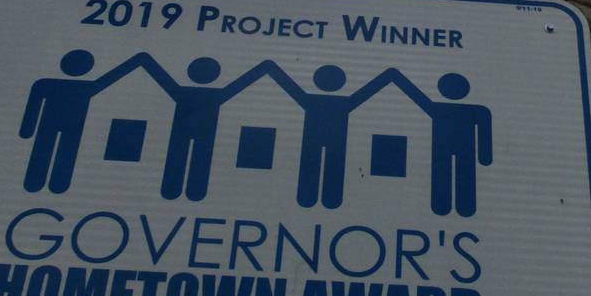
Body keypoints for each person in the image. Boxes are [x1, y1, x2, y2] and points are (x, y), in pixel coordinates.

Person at [262, 64, 406, 210]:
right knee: (322, 168)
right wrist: (390, 76)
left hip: (322, 141)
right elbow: (364, 93)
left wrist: (389, 76)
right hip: (327, 141)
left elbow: (291, 88)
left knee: (323, 168)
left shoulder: (313, 101)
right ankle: (317, 200)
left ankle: (319, 200)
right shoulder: (340, 103)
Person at [19, 50, 160, 194]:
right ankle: (35, 183)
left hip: (73, 128)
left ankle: (57, 184)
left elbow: (107, 81)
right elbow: (33, 107)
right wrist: (27, 130)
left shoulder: (82, 87)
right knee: (45, 152)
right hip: (53, 127)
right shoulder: (46, 84)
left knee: (64, 154)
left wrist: (140, 61)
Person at [143, 57, 281, 200]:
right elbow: (238, 85)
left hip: (196, 130)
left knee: (192, 158)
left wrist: (265, 68)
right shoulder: (212, 94)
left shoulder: (187, 93)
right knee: (185, 158)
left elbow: (161, 78)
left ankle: (187, 192)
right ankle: (179, 191)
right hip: (189, 130)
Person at [384, 71, 492, 217]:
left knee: (463, 176)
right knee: (444, 176)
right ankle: (443, 207)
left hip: (461, 150)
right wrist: (393, 76)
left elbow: (484, 133)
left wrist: (485, 157)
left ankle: (464, 207)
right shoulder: (441, 108)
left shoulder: (477, 111)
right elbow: (417, 98)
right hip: (443, 149)